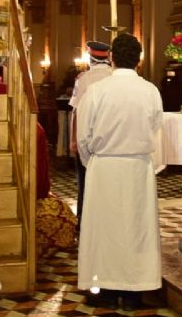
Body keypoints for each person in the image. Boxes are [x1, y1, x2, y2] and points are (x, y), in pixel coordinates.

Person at [76, 34, 163, 311]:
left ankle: (108, 289)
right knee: (138, 229)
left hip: (105, 166)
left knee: (104, 230)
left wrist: (94, 162)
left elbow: (83, 138)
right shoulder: (150, 90)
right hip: (138, 167)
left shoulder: (98, 91)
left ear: (111, 57)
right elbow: (156, 128)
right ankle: (136, 291)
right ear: (139, 60)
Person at [68, 40, 112, 228]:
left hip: (87, 136)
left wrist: (73, 140)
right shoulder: (114, 76)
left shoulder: (83, 78)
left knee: (85, 182)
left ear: (90, 57)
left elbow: (77, 110)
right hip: (109, 137)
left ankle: (84, 222)